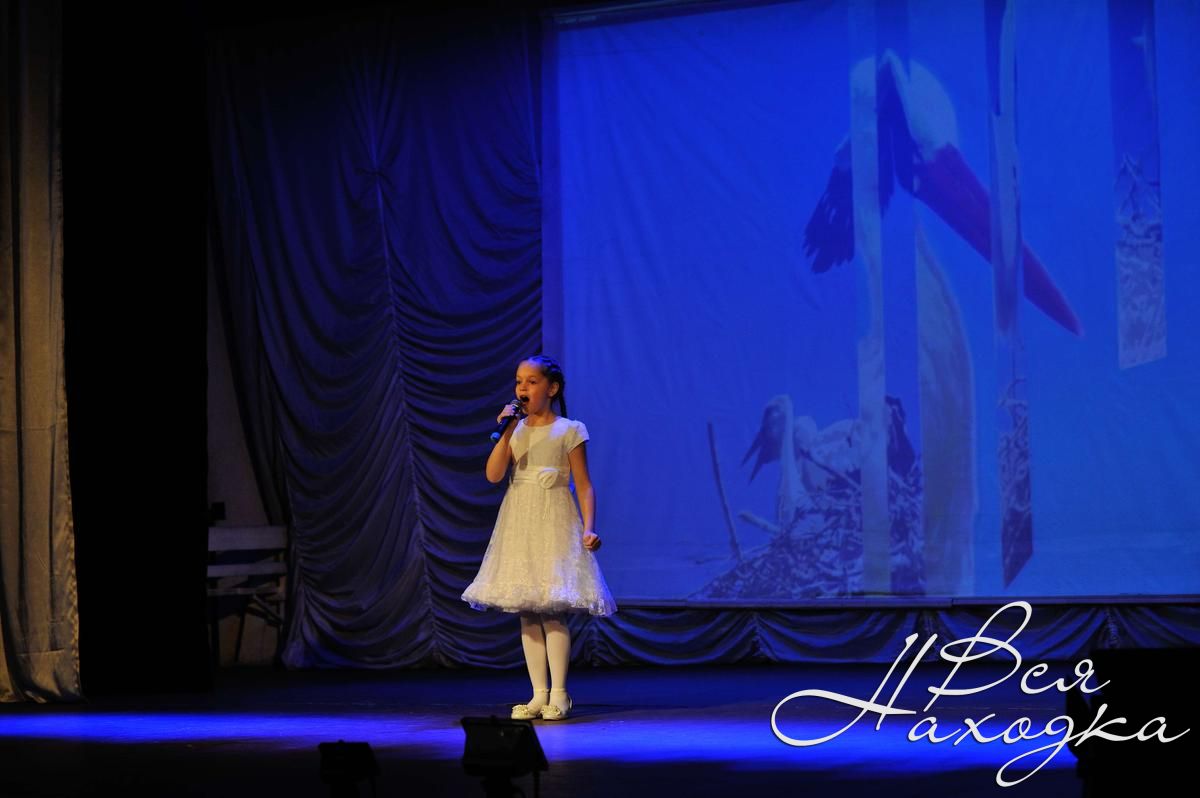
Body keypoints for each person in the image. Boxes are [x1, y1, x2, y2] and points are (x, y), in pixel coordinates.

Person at [462, 355, 617, 721]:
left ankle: (559, 694)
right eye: (519, 381)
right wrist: (507, 430)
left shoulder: (569, 429)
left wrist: (589, 527)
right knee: (527, 611)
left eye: (531, 381)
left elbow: (584, 484)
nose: (523, 388)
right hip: (520, 524)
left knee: (551, 608)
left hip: (554, 522)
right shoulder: (514, 429)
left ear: (552, 388)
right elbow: (493, 475)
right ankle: (537, 694)